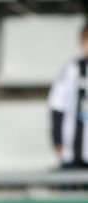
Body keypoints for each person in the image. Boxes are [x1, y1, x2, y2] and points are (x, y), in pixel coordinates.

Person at [48, 22, 88, 170]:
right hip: (72, 149)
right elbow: (57, 105)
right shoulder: (71, 69)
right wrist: (57, 138)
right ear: (81, 43)